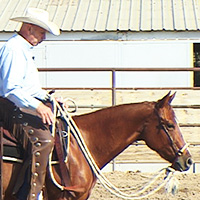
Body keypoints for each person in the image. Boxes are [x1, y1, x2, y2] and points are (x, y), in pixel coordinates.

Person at [0, 7, 60, 200]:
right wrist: (38, 106)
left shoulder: (23, 50)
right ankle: (30, 196)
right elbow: (11, 89)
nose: (43, 37)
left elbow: (29, 88)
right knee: (43, 141)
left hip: (17, 104)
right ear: (29, 28)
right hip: (8, 107)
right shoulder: (13, 49)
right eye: (42, 32)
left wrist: (48, 98)